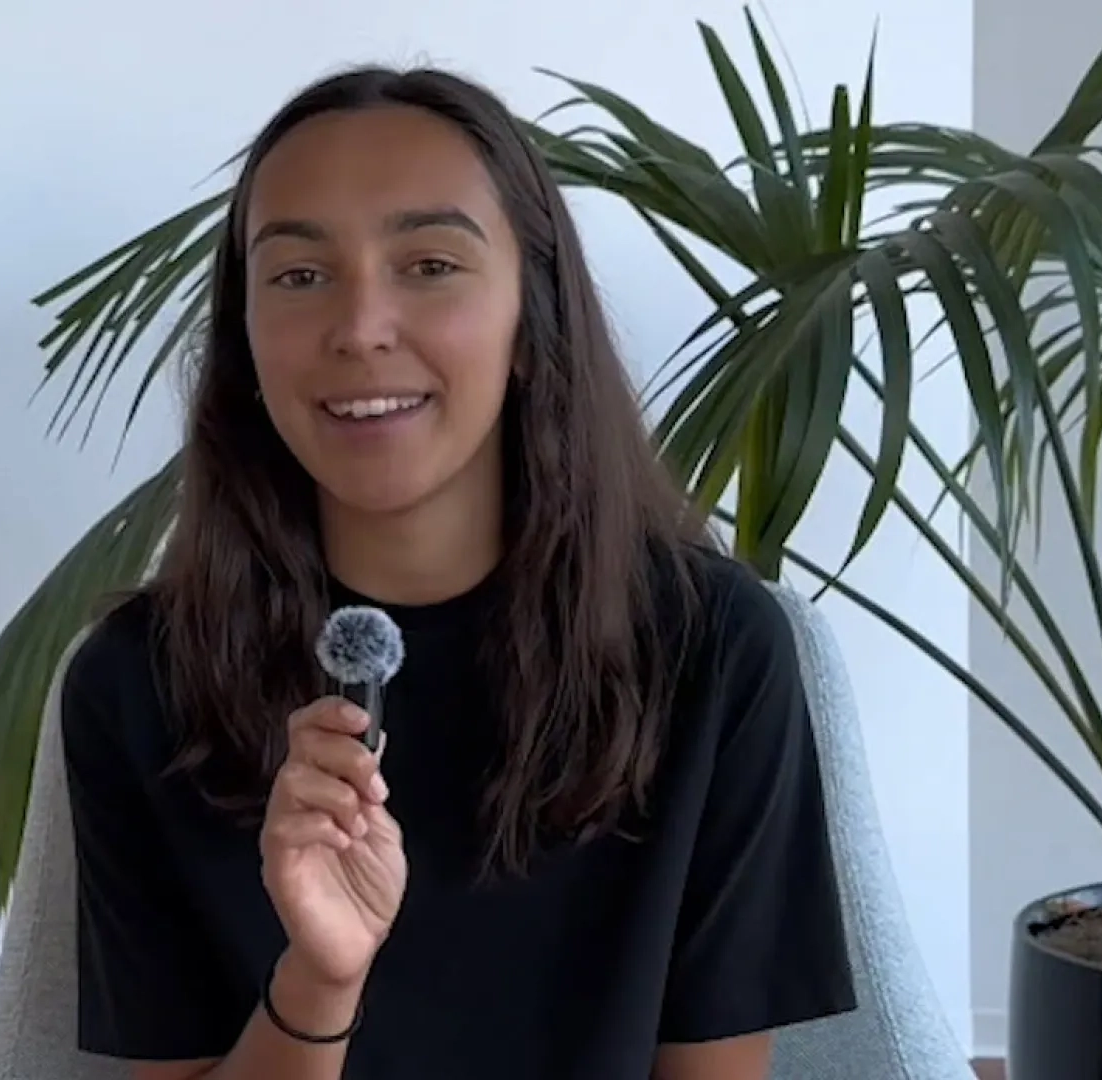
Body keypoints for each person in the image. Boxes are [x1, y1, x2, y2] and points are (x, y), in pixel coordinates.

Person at [60, 64, 856, 1080]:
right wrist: (320, 978)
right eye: (300, 277)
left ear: (534, 317)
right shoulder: (139, 687)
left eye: (430, 265)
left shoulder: (712, 652)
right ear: (247, 340)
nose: (359, 328)